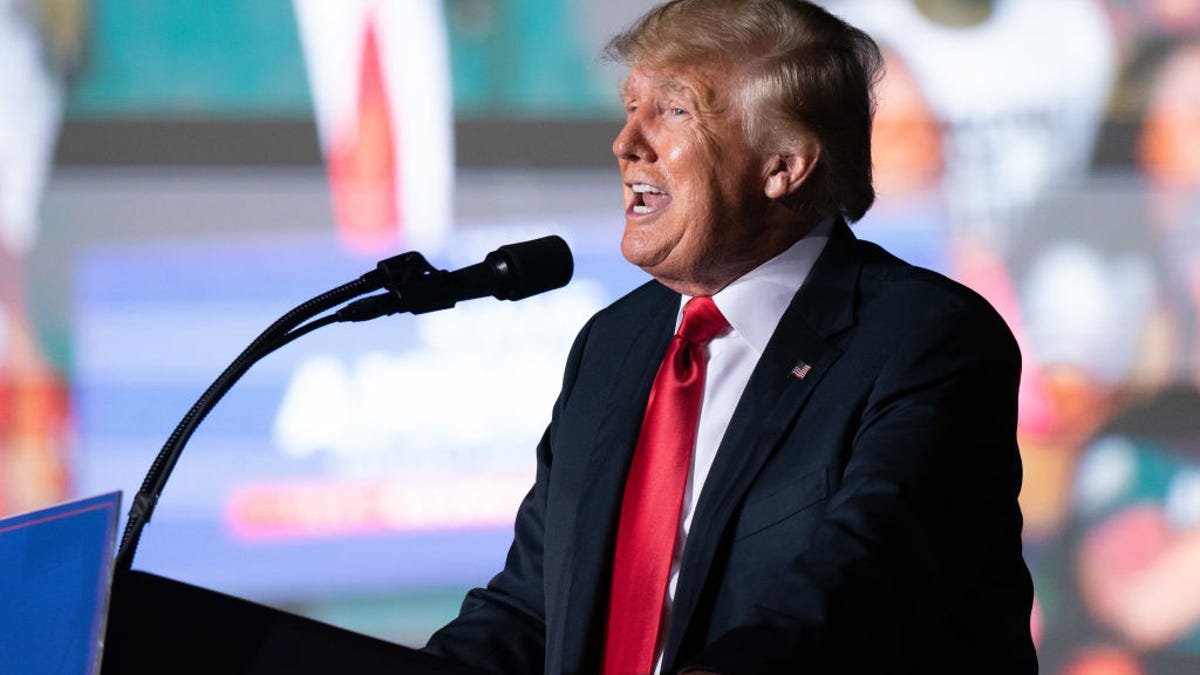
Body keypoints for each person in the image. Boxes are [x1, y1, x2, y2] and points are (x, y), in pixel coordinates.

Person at [424, 1, 1036, 673]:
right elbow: (529, 611)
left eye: (674, 111)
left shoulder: (924, 340)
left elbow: (847, 600)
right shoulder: (612, 344)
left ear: (784, 164)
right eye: (631, 107)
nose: (626, 142)